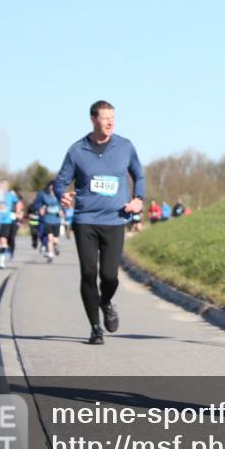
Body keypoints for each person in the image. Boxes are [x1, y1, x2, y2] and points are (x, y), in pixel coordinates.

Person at [54, 100, 145, 345]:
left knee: (109, 276)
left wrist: (138, 199)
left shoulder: (125, 146)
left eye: (113, 118)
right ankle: (95, 328)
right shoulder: (77, 151)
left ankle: (105, 302)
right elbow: (60, 182)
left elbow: (138, 174)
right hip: (85, 220)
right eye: (105, 118)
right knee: (88, 272)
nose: (110, 123)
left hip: (115, 220)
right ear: (93, 119)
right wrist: (61, 194)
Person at [36, 181, 63, 262]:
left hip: (56, 220)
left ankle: (56, 246)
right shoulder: (44, 196)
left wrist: (62, 211)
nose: (52, 189)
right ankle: (50, 254)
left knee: (55, 239)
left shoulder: (59, 196)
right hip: (47, 220)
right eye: (51, 187)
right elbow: (38, 204)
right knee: (49, 239)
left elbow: (63, 206)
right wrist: (40, 209)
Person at [0, 180, 21, 268]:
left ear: (7, 187)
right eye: (1, 185)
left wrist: (18, 211)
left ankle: (1, 260)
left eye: (5, 185)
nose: (3, 187)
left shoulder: (10, 195)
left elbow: (18, 202)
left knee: (3, 239)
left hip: (6, 221)